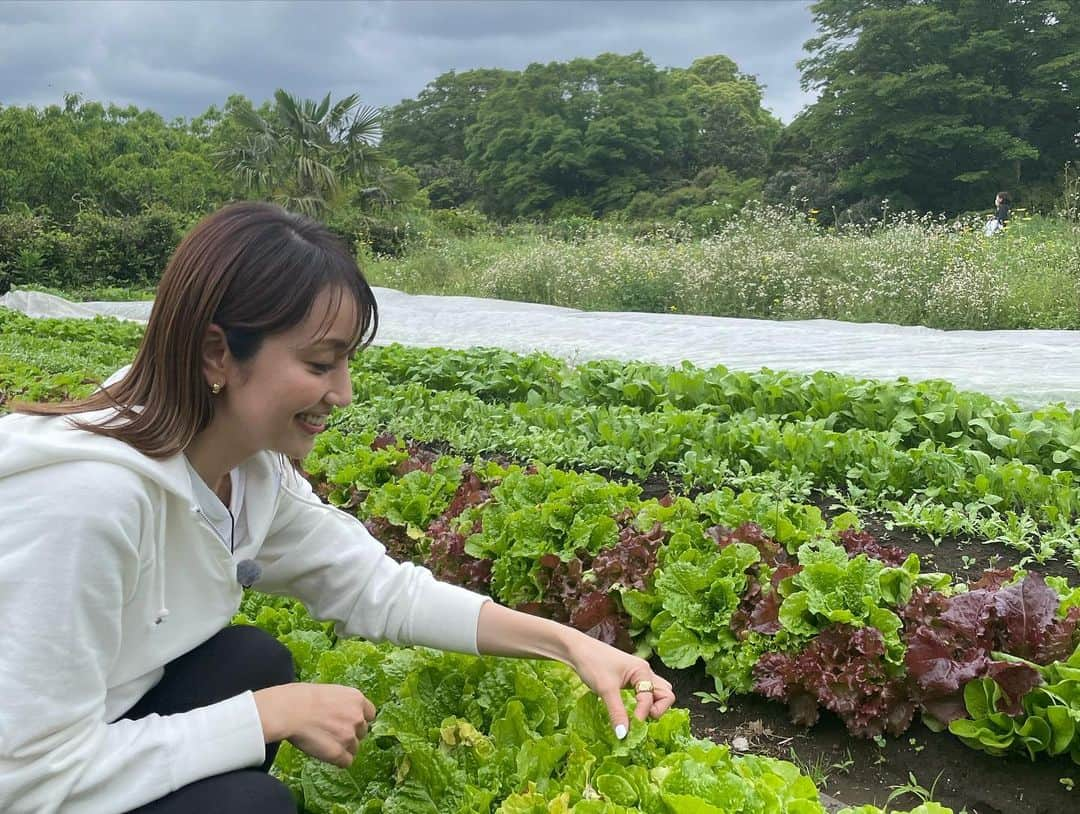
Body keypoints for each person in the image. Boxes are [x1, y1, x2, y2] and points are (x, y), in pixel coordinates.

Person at [0, 202, 675, 814]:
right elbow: (25, 780)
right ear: (217, 352)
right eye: (321, 365)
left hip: (84, 727)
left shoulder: (249, 468)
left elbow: (376, 589)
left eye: (347, 362)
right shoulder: (87, 504)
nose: (344, 393)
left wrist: (569, 644)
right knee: (248, 802)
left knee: (250, 661)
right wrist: (265, 717)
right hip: (25, 776)